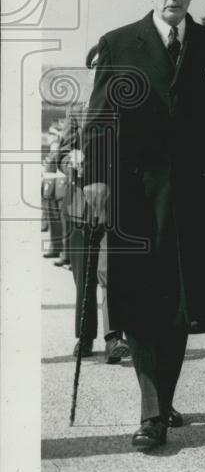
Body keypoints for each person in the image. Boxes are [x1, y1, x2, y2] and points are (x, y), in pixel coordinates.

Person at [83, 0, 205, 449]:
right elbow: (100, 121)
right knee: (140, 297)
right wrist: (96, 178)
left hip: (193, 194)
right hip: (135, 193)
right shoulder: (119, 44)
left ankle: (162, 396)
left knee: (179, 304)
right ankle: (151, 410)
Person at [57, 44, 129, 362]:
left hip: (113, 203)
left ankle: (114, 338)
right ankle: (84, 338)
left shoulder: (127, 108)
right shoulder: (77, 110)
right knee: (82, 276)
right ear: (91, 72)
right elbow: (59, 155)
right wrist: (69, 158)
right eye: (98, 66)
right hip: (78, 205)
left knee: (110, 271)